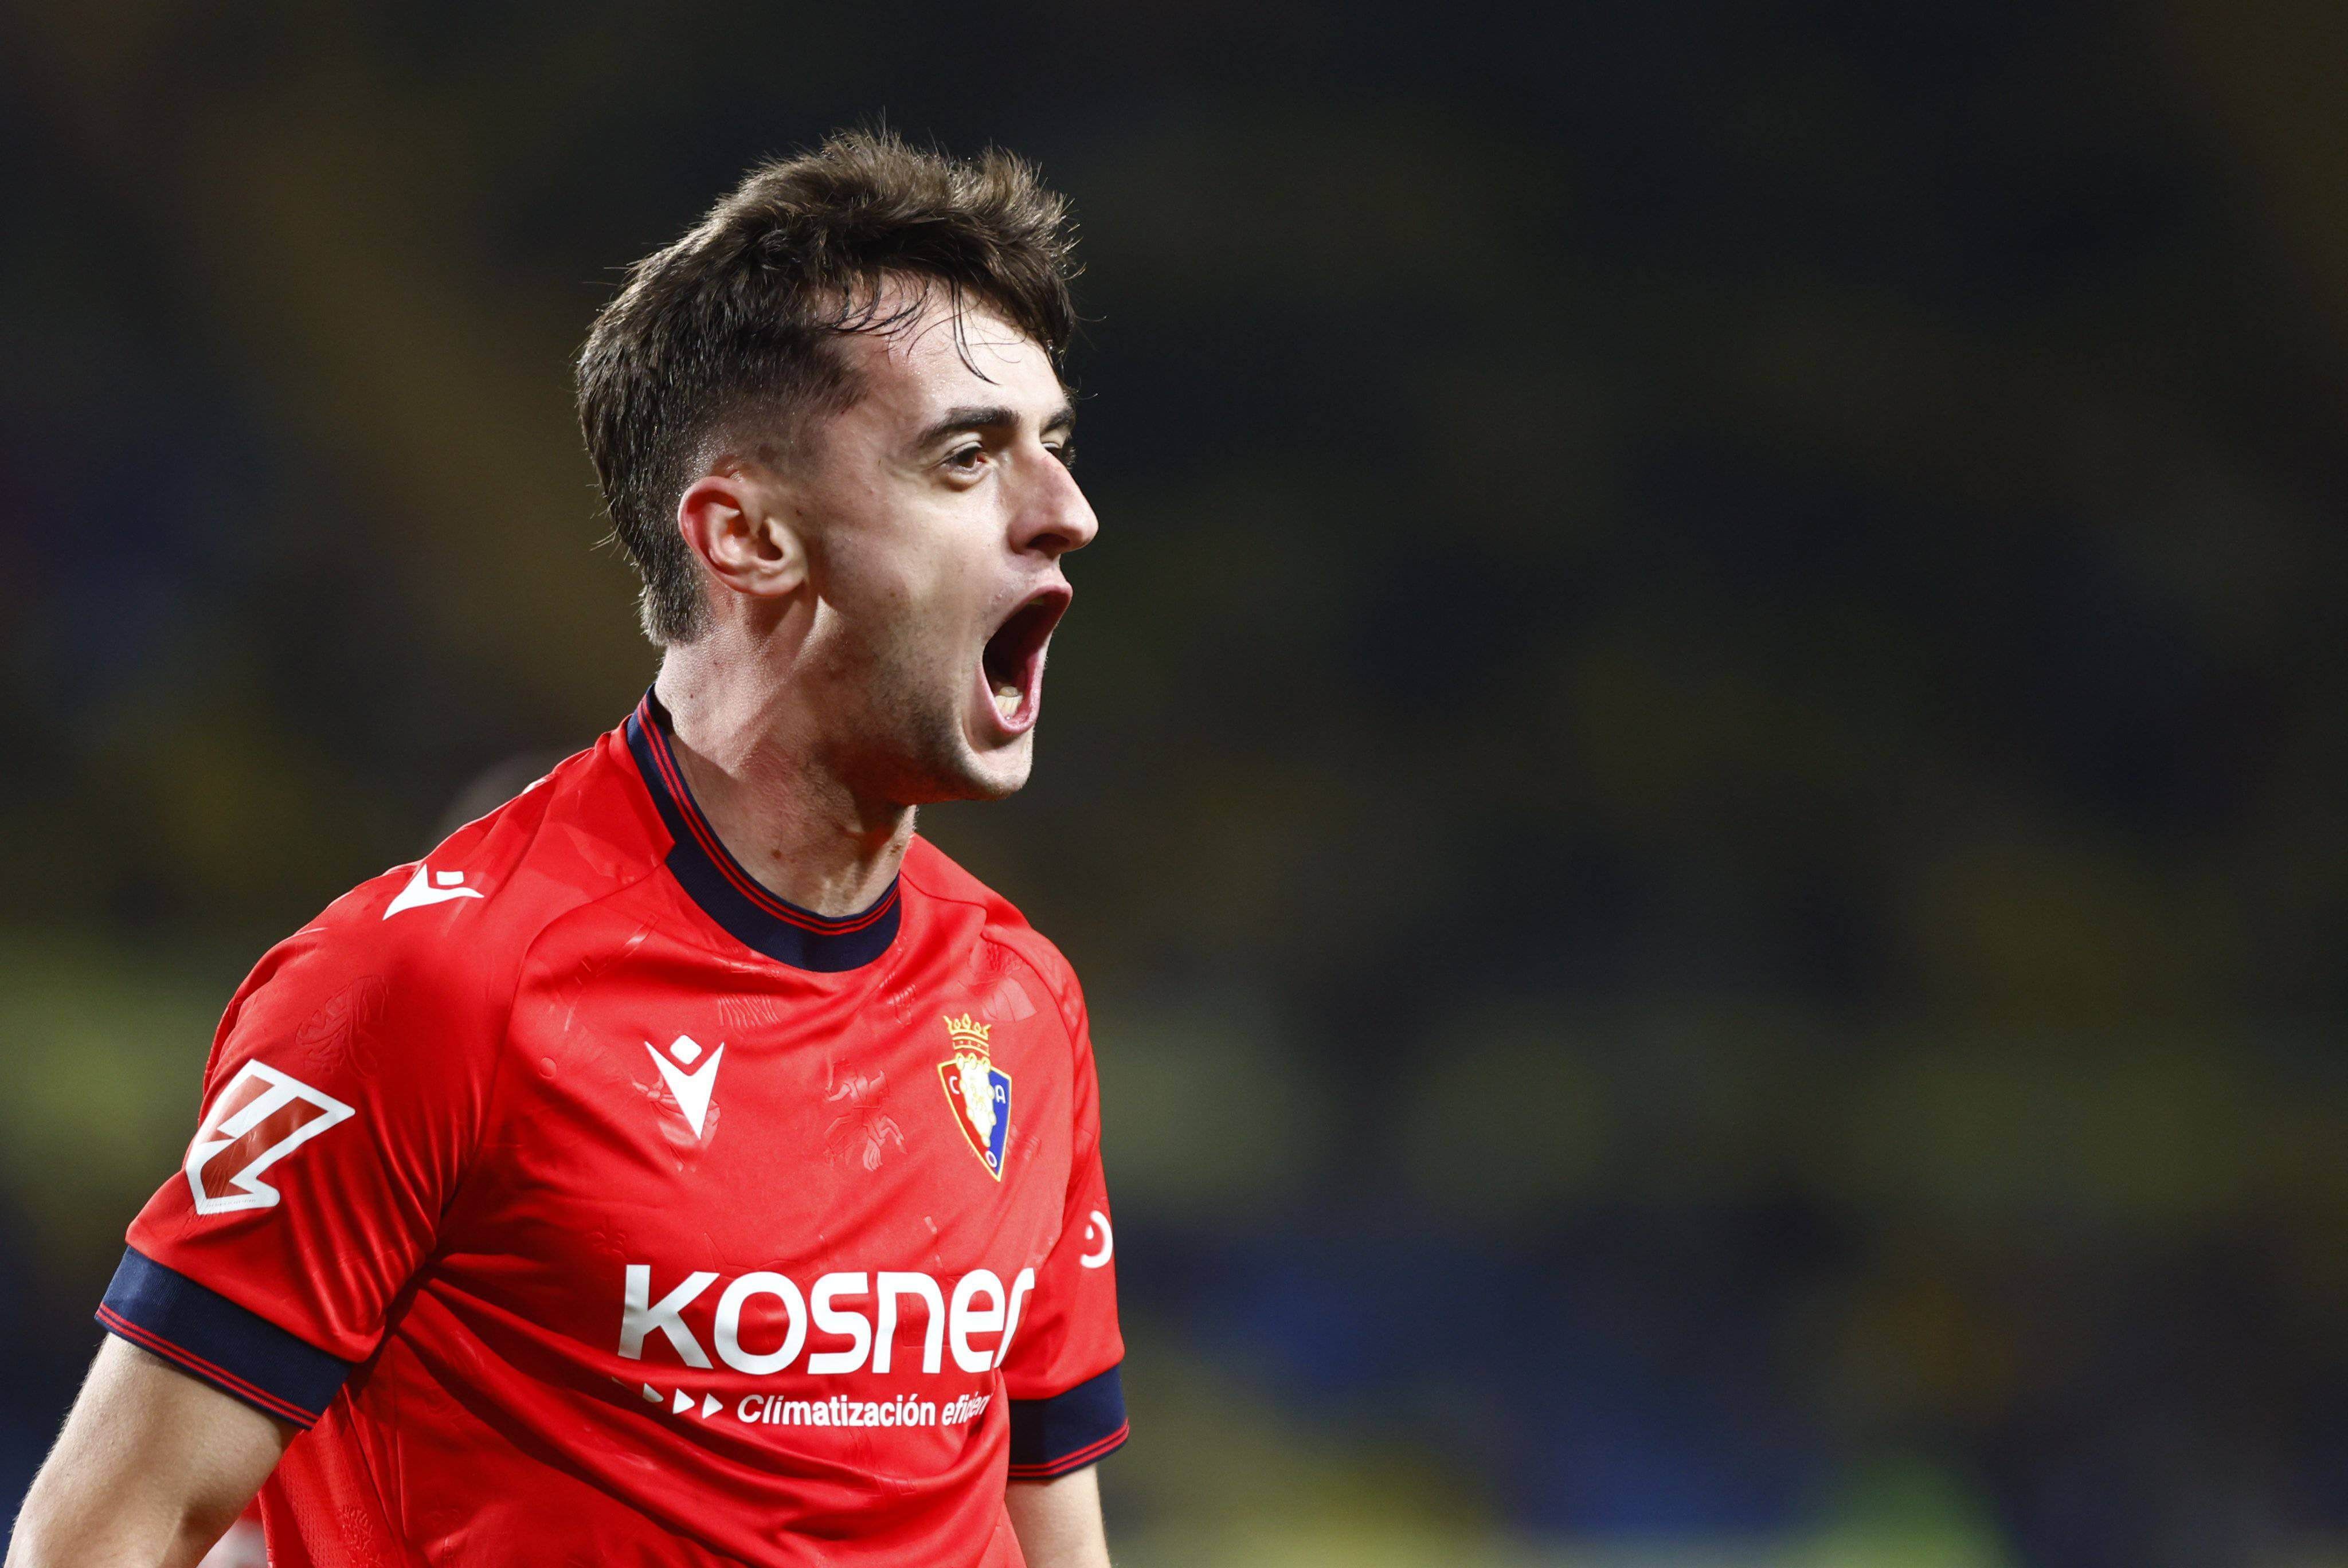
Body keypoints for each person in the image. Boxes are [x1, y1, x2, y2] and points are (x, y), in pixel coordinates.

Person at [9, 129, 1122, 1568]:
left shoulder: (1018, 1000)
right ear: (744, 538)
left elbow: (1050, 1544)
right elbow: (109, 1534)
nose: (1066, 513)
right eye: (967, 457)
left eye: (1057, 447)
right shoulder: (432, 984)